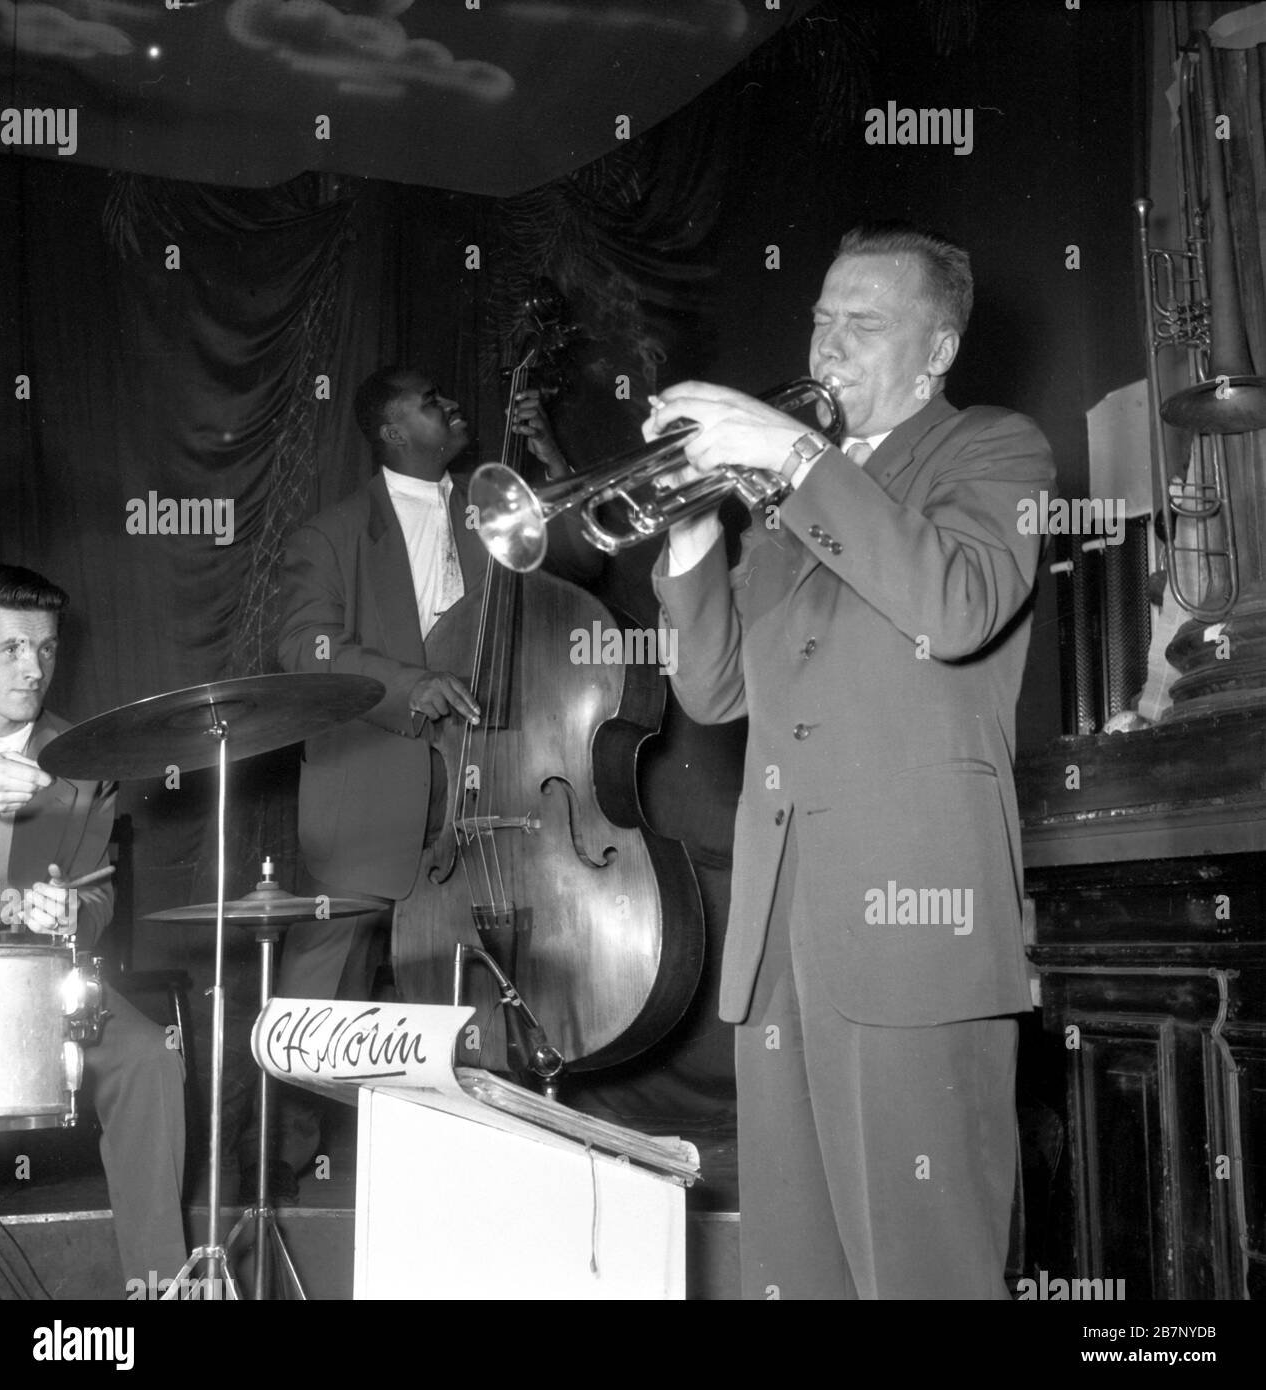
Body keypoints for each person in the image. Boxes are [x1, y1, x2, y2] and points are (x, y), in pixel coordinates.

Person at [648, 224, 1056, 1299]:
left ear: (936, 351)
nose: (827, 344)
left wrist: (794, 461)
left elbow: (952, 605)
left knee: (923, 1268)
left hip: (915, 924)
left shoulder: (994, 449)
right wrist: (691, 542)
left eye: (862, 322)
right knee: (799, 1267)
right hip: (781, 931)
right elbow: (713, 691)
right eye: (821, 318)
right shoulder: (792, 509)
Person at [265, 366, 587, 1199]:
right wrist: (411, 687)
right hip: (369, 794)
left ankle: (479, 1173)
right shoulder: (329, 535)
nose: (452, 403)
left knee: (470, 992)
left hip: (492, 790)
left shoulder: (490, 515)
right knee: (317, 1013)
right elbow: (305, 648)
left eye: (451, 395)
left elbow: (580, 559)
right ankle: (282, 1179)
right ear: (388, 430)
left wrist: (548, 458)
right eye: (430, 399)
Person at [0, 561, 187, 1295]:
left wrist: (75, 914)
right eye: (10, 647)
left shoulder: (81, 760)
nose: (33, 667)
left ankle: (159, 1284)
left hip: (43, 989)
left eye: (45, 648)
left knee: (147, 1061)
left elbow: (98, 894)